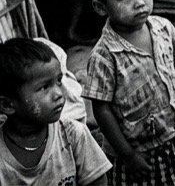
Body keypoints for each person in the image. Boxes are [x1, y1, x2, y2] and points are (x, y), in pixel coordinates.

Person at [81, 0, 175, 186]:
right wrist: (128, 154)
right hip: (133, 154)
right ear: (101, 7)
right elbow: (101, 110)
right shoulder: (104, 56)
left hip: (169, 141)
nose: (140, 2)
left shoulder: (163, 29)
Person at [0, 38, 110, 185]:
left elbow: (98, 181)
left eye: (58, 81)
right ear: (8, 105)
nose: (59, 93)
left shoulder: (72, 135)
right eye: (44, 87)